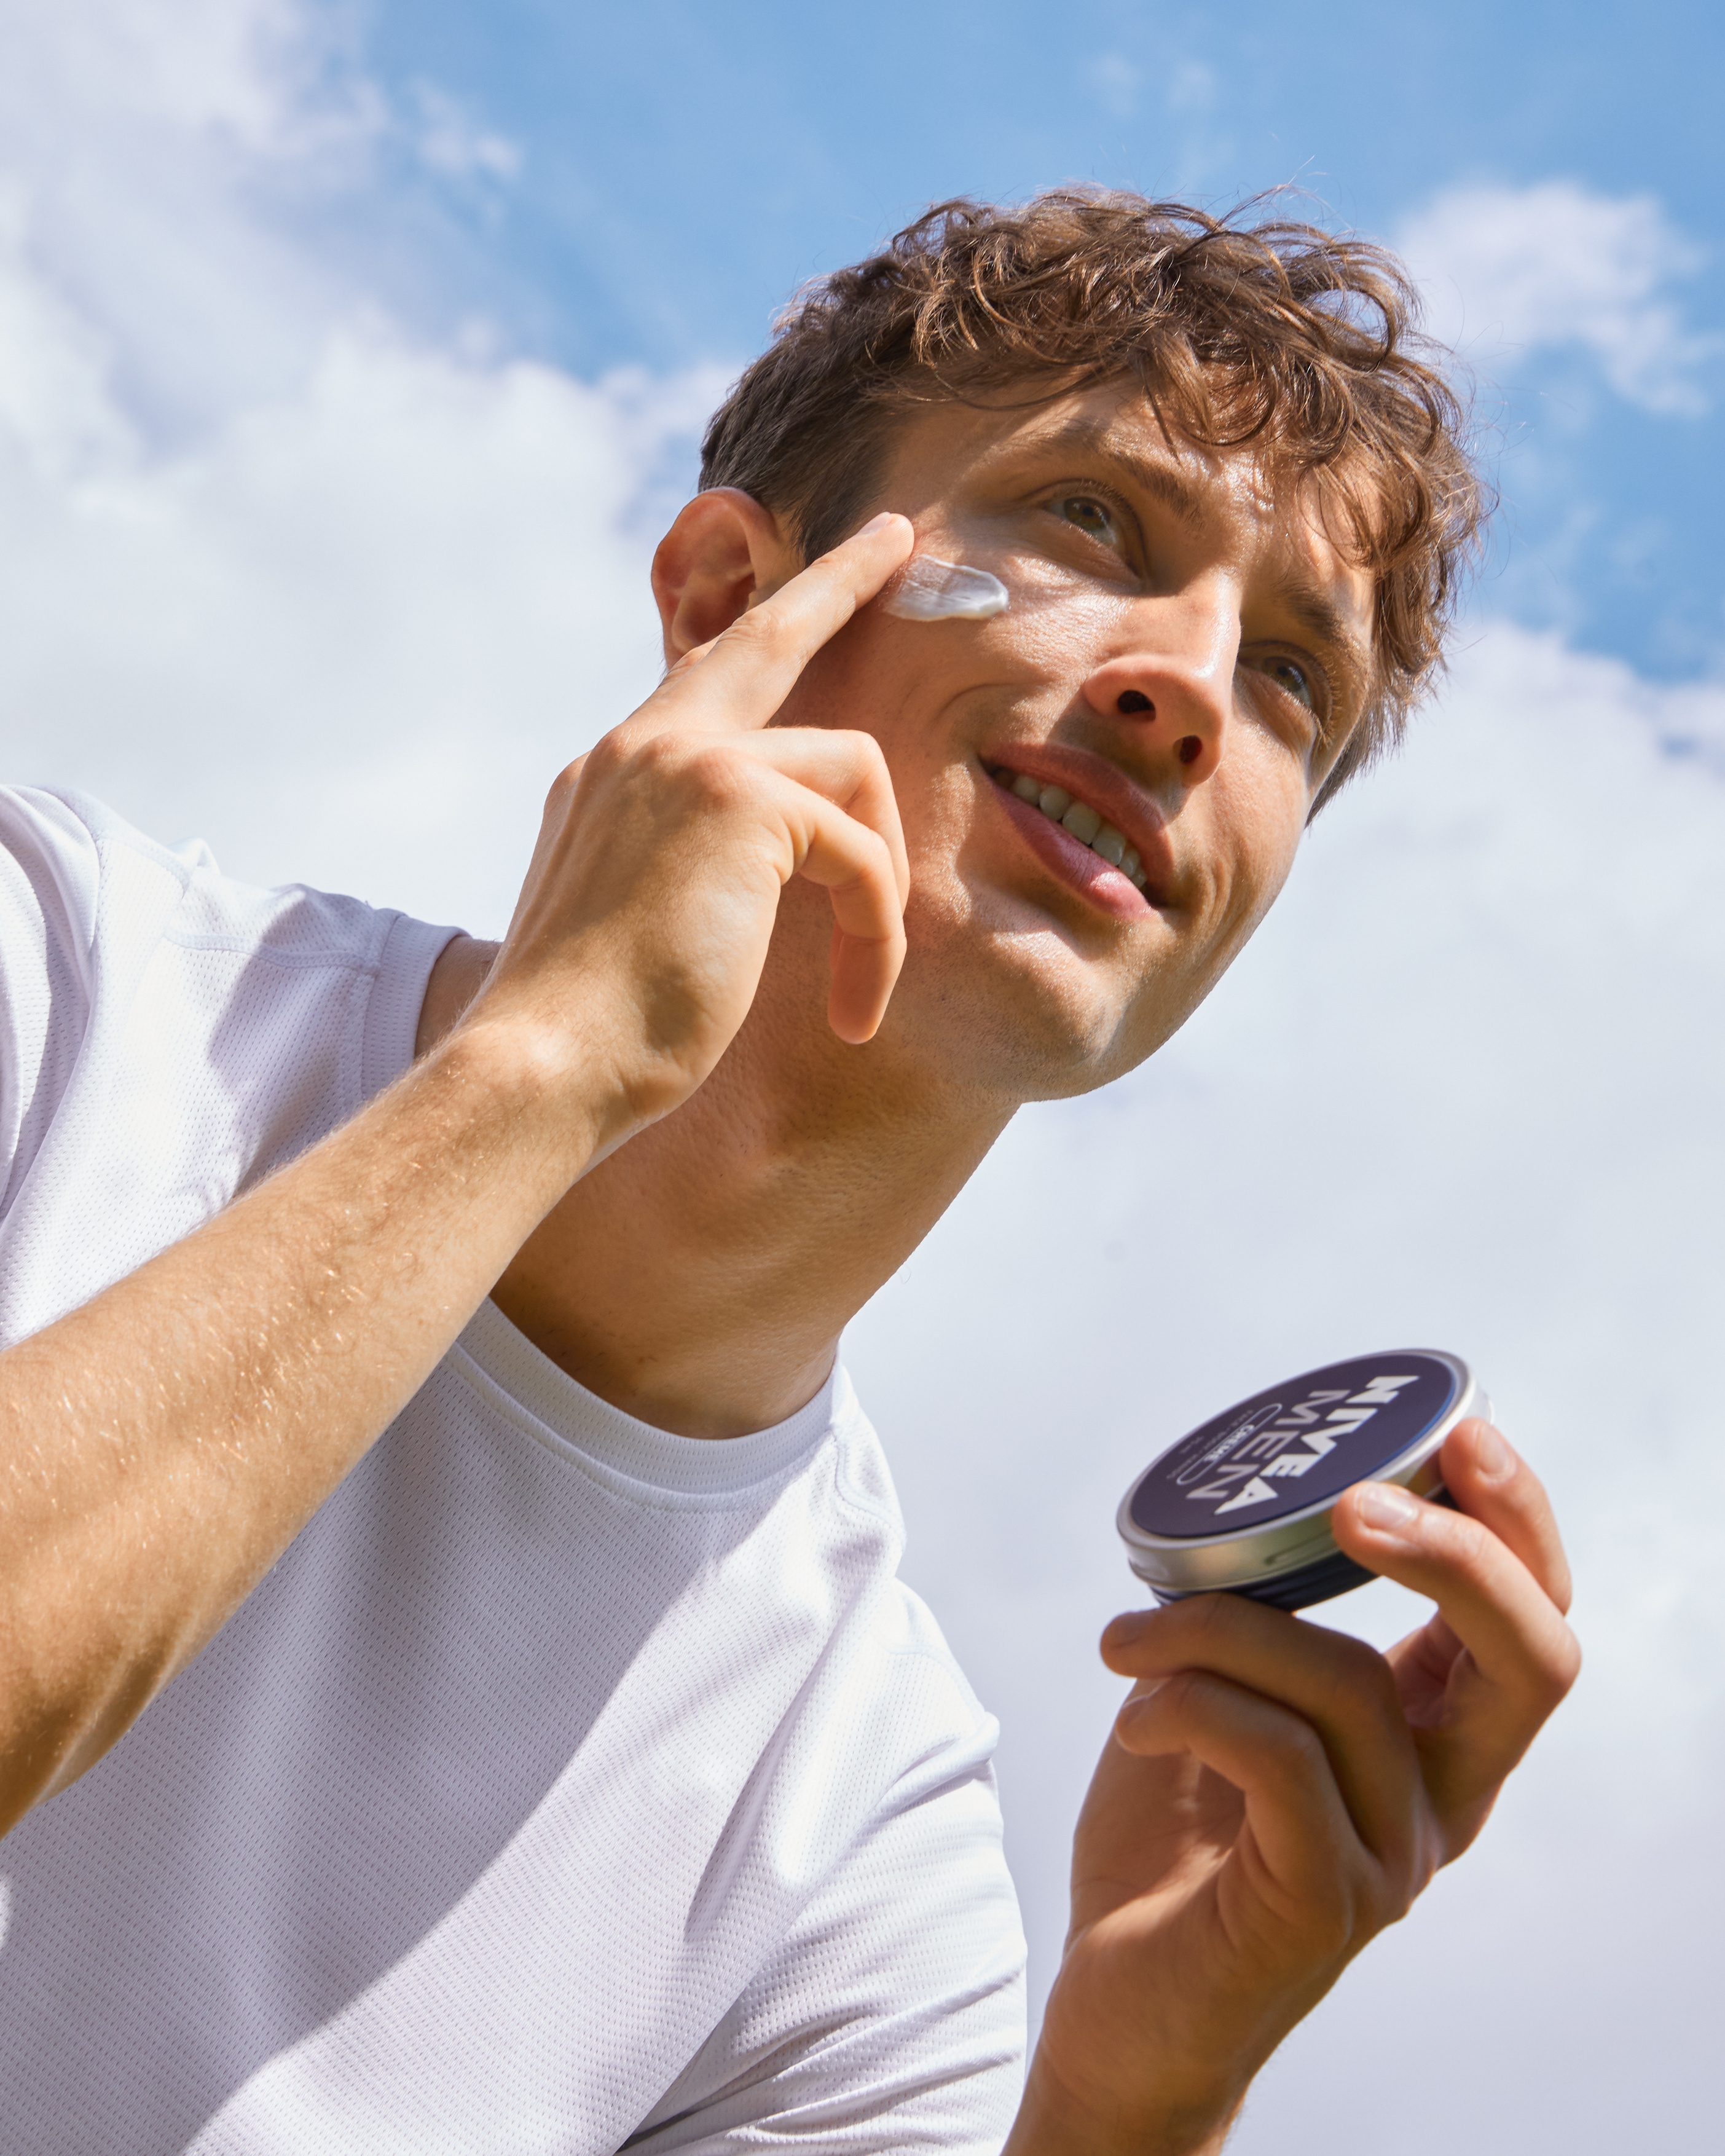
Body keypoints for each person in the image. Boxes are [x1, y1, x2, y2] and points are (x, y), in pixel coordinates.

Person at [0, 192, 1578, 2154]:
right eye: (1095, 522)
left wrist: (1128, 2101)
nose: (1185, 690)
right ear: (725, 595)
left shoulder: (866, 1827)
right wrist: (547, 1069)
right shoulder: (58, 980)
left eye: (1289, 682)